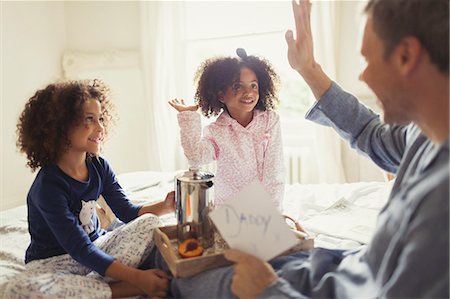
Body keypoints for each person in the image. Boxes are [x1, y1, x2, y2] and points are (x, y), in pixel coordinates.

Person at [168, 0, 449, 297]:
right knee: (185, 270)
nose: (363, 77)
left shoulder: (440, 201)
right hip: (347, 266)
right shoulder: (424, 133)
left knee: (189, 281)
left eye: (367, 60)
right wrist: (308, 68)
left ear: (406, 55)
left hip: (350, 284)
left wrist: (267, 290)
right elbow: (371, 133)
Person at [5, 79, 176, 298]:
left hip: (98, 246)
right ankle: (121, 289)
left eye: (101, 118)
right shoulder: (48, 186)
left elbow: (126, 212)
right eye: (89, 119)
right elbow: (79, 249)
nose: (101, 127)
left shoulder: (98, 165)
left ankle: (89, 289)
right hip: (54, 264)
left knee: (150, 222)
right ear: (62, 125)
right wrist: (138, 278)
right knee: (17, 290)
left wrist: (166, 206)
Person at [168, 49, 285, 209]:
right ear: (221, 94)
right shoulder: (216, 131)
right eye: (238, 86)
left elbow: (275, 172)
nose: (248, 92)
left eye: (253, 85)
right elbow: (195, 158)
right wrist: (188, 116)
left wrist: (272, 211)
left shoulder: (270, 120)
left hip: (267, 207)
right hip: (230, 210)